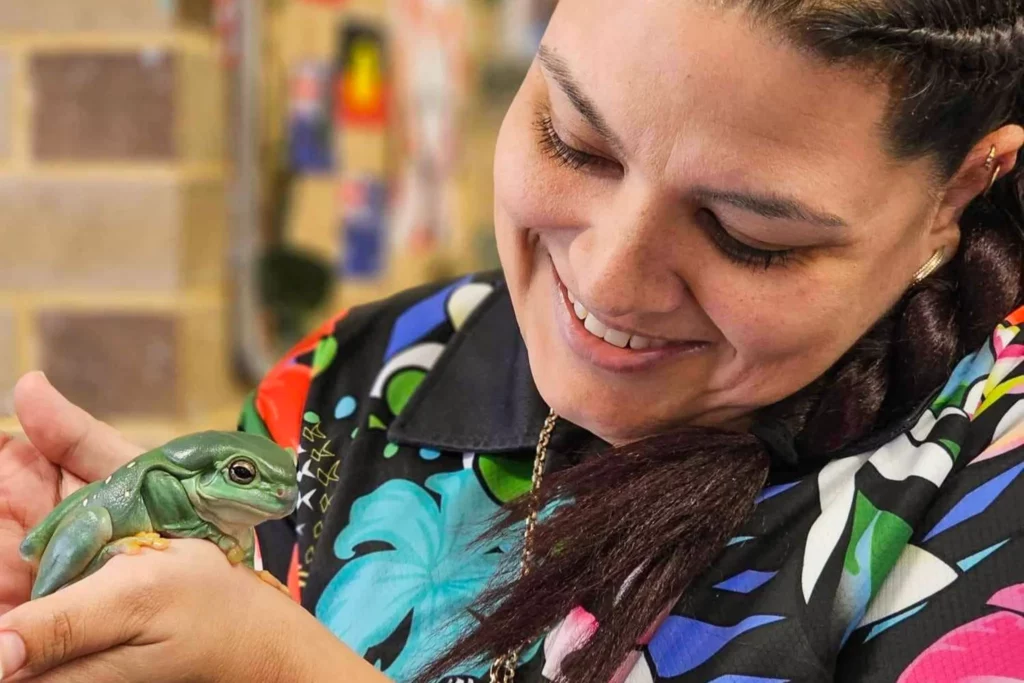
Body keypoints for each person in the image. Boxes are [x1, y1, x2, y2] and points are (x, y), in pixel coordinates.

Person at [1, 0, 1024, 681]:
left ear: (957, 193)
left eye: (749, 235)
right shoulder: (359, 375)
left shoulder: (989, 487)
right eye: (570, 140)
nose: (607, 279)